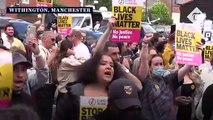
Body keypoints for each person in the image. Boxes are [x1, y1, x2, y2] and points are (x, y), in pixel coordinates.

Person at [138, 33, 194, 120]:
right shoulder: (146, 81)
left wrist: (195, 52)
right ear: (149, 67)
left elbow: (187, 67)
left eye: (161, 64)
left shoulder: (169, 78)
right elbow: (144, 60)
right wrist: (145, 44)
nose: (159, 66)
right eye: (156, 64)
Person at [54, 53, 123, 120]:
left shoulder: (117, 95)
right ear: (92, 67)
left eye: (112, 65)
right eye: (103, 63)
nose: (109, 67)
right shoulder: (73, 94)